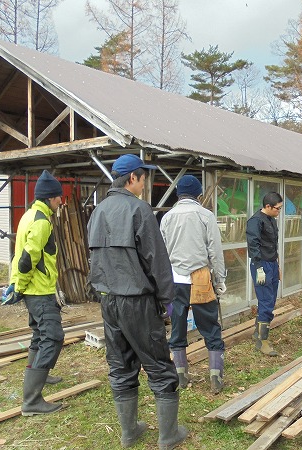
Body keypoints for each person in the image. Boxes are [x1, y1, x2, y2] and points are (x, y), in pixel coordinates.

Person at [87, 154, 187, 449]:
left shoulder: (98, 210)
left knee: (120, 365)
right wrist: (167, 299)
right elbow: (157, 260)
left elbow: (93, 257)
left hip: (108, 301)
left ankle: (129, 432)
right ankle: (168, 435)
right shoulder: (139, 209)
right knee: (158, 365)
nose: (145, 184)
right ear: (133, 178)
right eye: (144, 178)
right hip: (137, 302)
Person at [160, 175, 227, 394]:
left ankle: (181, 377)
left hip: (175, 280)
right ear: (198, 195)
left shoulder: (167, 218)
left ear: (178, 194)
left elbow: (162, 253)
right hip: (201, 279)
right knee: (210, 326)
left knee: (177, 327)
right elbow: (215, 251)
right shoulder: (206, 215)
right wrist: (220, 279)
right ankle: (215, 378)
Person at [9, 170, 65, 416]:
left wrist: (17, 285)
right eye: (58, 197)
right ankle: (32, 400)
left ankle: (40, 374)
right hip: (39, 291)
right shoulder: (42, 221)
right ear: (50, 197)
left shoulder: (29, 215)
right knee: (53, 337)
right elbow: (27, 258)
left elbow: (19, 254)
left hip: (34, 289)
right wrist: (19, 286)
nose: (60, 201)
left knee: (39, 335)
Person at [246, 192, 283, 356]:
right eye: (277, 208)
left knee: (270, 299)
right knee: (266, 300)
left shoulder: (272, 220)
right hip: (261, 265)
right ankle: (262, 341)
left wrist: (278, 266)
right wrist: (259, 268)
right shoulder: (255, 221)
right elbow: (253, 245)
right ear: (268, 206)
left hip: (272, 263)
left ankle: (257, 332)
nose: (279, 211)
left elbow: (274, 245)